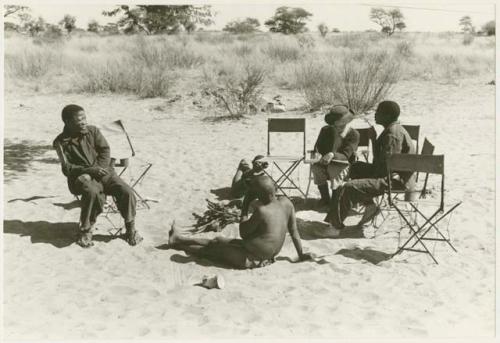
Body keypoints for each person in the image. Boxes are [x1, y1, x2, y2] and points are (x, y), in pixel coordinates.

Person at [168, 175, 313, 269]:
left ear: (258, 195)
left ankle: (177, 243)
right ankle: (179, 238)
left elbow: (244, 233)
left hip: (250, 258)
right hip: (263, 253)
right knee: (218, 240)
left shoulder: (262, 211)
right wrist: (301, 254)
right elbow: (294, 231)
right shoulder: (287, 203)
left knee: (210, 251)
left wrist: (245, 206)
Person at [53, 104, 142, 248]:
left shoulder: (93, 131)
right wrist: (89, 171)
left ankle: (130, 229)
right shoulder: (60, 142)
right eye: (79, 120)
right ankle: (86, 231)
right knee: (92, 192)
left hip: (105, 172)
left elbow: (105, 151)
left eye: (84, 118)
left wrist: (100, 168)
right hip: (81, 179)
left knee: (127, 192)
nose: (84, 122)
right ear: (68, 122)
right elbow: (67, 169)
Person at [325, 100, 416, 235]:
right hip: (391, 175)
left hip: (393, 181)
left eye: (378, 112)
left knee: (347, 187)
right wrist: (374, 140)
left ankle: (334, 228)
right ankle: (369, 205)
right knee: (354, 167)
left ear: (387, 116)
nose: (375, 114)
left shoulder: (392, 134)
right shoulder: (392, 129)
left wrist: (361, 181)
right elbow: (382, 162)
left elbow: (385, 167)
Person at [311, 105, 360, 207]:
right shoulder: (326, 130)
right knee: (316, 168)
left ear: (347, 122)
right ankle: (325, 199)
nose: (338, 128)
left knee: (334, 169)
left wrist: (332, 155)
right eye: (336, 125)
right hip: (325, 162)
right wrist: (317, 154)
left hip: (343, 164)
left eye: (341, 125)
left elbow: (346, 154)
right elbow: (318, 146)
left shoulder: (353, 134)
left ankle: (336, 200)